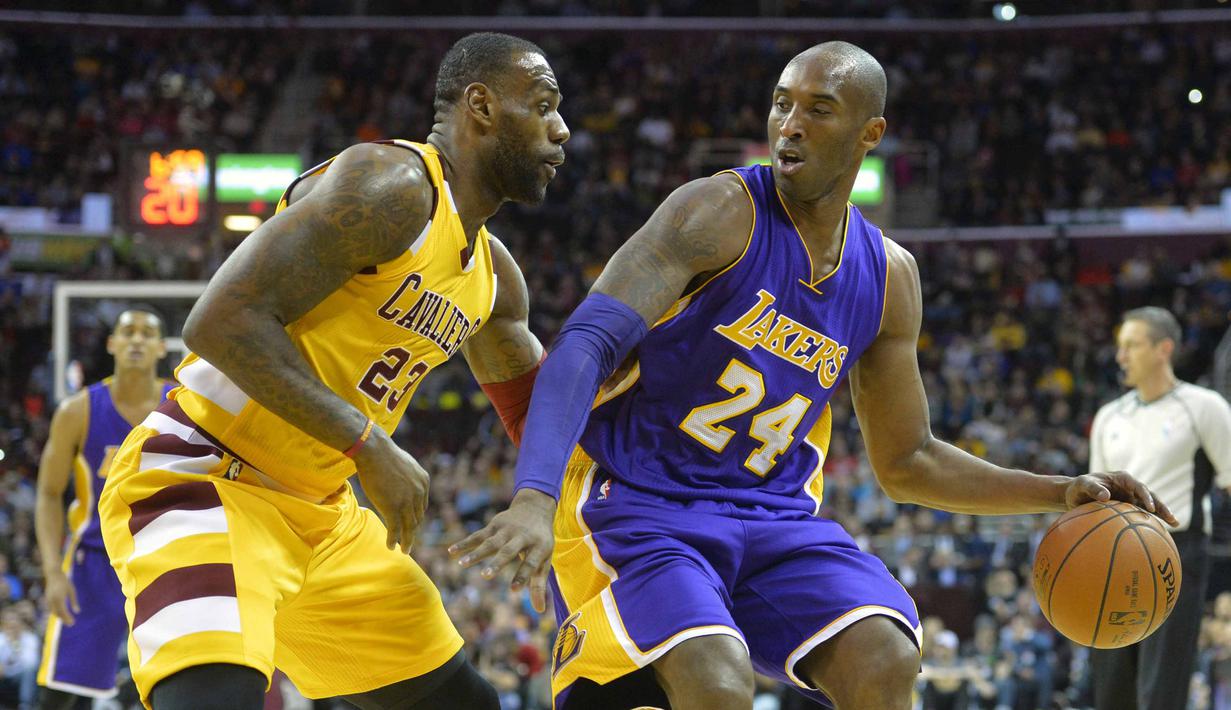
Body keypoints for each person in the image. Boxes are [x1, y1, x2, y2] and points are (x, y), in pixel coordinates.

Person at [452, 41, 1174, 710]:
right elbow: (583, 345)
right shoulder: (718, 211)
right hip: (639, 504)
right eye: (780, 103)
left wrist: (1061, 495)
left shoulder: (889, 277)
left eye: (818, 109)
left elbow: (908, 460)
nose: (789, 125)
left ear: (870, 133)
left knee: (884, 655)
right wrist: (532, 496)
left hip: (772, 519)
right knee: (715, 680)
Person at [98, 32, 569, 710]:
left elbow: (538, 417)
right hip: (209, 480)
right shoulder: (391, 186)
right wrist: (366, 443)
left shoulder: (495, 281)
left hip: (325, 518)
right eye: (544, 105)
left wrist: (548, 504)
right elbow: (220, 321)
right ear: (480, 106)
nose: (562, 129)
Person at [1088, 307, 1231, 710]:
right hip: (1112, 554)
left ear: (1163, 349)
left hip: (1177, 550)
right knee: (1113, 688)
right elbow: (1096, 499)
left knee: (1161, 688)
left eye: (1131, 345)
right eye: (1120, 347)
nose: (1121, 356)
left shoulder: (1204, 406)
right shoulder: (1107, 417)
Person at [34, 309, 172, 709]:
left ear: (162, 347)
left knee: (173, 686)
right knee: (60, 695)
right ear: (111, 344)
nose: (136, 340)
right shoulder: (77, 411)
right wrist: (51, 574)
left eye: (147, 333)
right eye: (127, 332)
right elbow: (47, 493)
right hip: (93, 561)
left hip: (164, 561)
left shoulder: (183, 405)